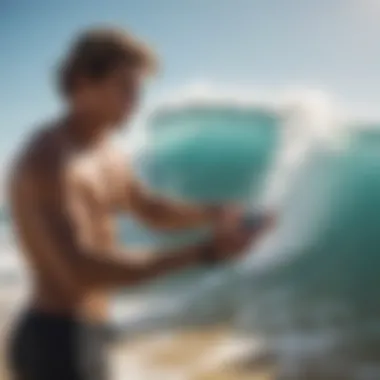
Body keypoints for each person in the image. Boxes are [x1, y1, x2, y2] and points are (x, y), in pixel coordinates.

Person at [6, 27, 273, 380]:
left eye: (139, 89)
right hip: (56, 340)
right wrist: (205, 253)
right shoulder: (49, 159)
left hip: (91, 330)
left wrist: (215, 211)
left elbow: (148, 208)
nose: (136, 100)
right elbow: (79, 269)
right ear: (83, 83)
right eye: (125, 87)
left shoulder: (108, 152)